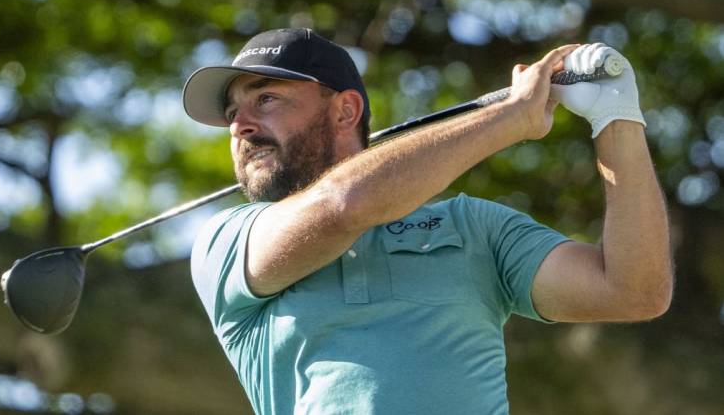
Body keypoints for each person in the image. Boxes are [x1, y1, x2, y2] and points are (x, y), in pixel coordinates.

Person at [182, 28, 673, 414]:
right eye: (232, 112)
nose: (240, 126)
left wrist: (617, 117)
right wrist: (511, 118)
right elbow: (344, 203)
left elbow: (633, 291)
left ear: (345, 110)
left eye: (265, 99)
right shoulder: (225, 241)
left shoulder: (475, 226)